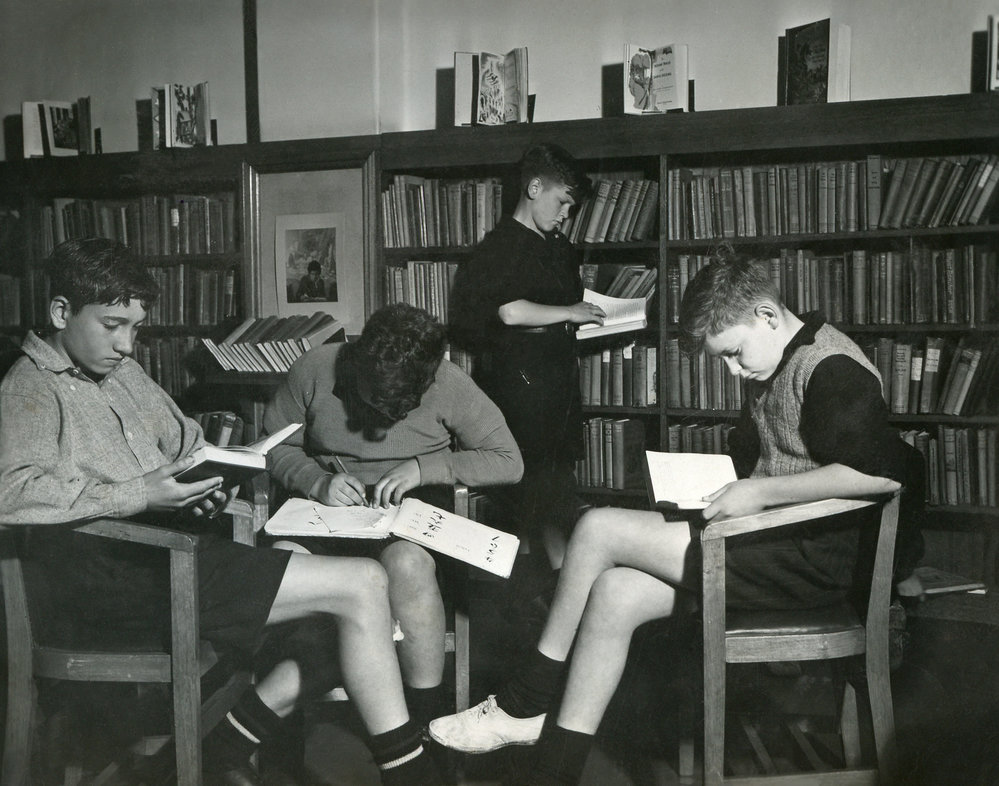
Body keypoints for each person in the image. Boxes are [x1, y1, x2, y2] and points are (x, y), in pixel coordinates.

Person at [429, 254, 925, 785]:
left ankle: (524, 700)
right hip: (768, 547)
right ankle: (554, 771)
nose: (733, 371)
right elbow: (768, 458)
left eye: (733, 353)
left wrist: (759, 493)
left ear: (767, 314)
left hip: (816, 563)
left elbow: (883, 474)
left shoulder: (832, 367)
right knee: (615, 592)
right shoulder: (775, 357)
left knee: (598, 528)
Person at [0, 238, 443, 786]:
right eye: (112, 324)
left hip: (174, 557)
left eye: (135, 328)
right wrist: (140, 493)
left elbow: (187, 443)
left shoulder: (122, 375)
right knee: (361, 586)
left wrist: (205, 481)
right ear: (61, 312)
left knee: (343, 611)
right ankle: (412, 772)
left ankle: (227, 742)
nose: (126, 344)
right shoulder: (29, 388)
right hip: (114, 582)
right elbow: (10, 492)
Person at [262, 302, 523, 731]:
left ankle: (424, 721)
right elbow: (273, 445)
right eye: (377, 400)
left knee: (408, 564)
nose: (383, 421)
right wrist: (314, 479)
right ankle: (274, 724)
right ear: (358, 362)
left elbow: (508, 461)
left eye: (403, 406)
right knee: (284, 560)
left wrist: (426, 468)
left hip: (410, 518)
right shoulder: (314, 367)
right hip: (325, 513)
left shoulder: (449, 381)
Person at [448, 142, 604, 579]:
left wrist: (577, 316)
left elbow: (557, 309)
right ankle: (525, 602)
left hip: (557, 391)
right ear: (534, 187)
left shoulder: (558, 249)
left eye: (570, 209)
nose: (564, 216)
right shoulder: (499, 246)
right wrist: (570, 314)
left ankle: (562, 593)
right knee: (524, 506)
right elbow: (509, 311)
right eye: (562, 203)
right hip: (517, 396)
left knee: (557, 503)